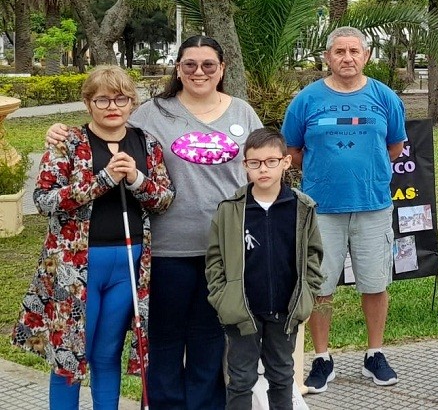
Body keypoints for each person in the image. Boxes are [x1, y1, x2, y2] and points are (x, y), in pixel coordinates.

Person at [46, 36, 264, 410]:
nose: (199, 72)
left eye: (208, 64)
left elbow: (263, 165)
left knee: (209, 339)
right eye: (190, 64)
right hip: (164, 250)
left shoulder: (241, 112)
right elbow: (103, 126)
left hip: (223, 249)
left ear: (222, 69)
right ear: (177, 68)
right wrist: (59, 131)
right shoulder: (153, 113)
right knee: (161, 340)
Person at [15, 66, 174, 410]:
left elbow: (164, 198)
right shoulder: (67, 141)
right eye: (102, 99)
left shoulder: (145, 143)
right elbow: (44, 200)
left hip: (129, 262)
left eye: (120, 98)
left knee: (107, 351)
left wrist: (134, 178)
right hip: (75, 265)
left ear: (132, 102)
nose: (112, 106)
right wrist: (101, 181)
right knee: (71, 352)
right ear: (88, 103)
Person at [281, 26, 407, 391]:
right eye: (339, 52)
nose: (347, 58)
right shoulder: (306, 100)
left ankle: (374, 354)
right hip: (321, 210)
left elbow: (395, 146)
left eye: (354, 51)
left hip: (373, 206)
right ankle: (322, 359)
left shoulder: (384, 97)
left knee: (375, 282)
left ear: (366, 56)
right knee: (320, 286)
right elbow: (293, 151)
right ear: (327, 57)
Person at [206, 128, 325, 410]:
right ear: (245, 165)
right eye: (255, 163)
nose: (263, 169)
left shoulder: (302, 208)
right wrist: (224, 299)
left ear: (285, 162)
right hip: (242, 311)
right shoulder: (231, 210)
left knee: (282, 376)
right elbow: (215, 258)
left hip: (285, 312)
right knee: (240, 378)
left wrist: (305, 296)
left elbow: (313, 255)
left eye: (271, 161)